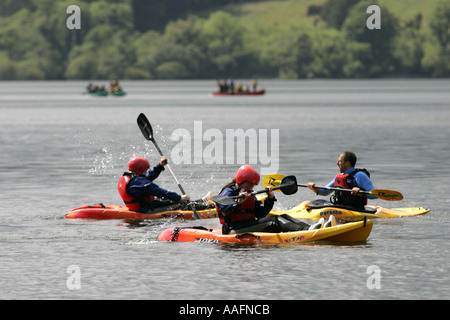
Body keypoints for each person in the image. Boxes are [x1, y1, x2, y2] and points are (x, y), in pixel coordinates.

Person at [215, 165, 333, 234]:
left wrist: (270, 198)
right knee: (274, 221)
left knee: (284, 216)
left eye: (253, 186)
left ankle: (312, 227)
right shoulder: (229, 192)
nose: (251, 188)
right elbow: (224, 208)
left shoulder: (247, 192)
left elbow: (260, 213)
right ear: (242, 180)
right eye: (250, 185)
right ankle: (307, 231)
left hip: (246, 225)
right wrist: (239, 201)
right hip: (233, 230)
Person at [118, 156, 191, 213]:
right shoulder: (138, 181)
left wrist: (160, 165)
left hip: (136, 208)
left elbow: (149, 176)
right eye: (145, 170)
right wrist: (179, 198)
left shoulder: (128, 177)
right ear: (139, 169)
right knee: (181, 203)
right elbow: (158, 191)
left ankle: (197, 203)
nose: (146, 172)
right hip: (145, 210)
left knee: (169, 199)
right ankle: (200, 206)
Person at [307, 151, 375, 209]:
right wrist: (314, 188)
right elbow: (325, 191)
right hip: (341, 208)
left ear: (347, 163)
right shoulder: (339, 176)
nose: (337, 163)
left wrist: (361, 192)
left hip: (357, 209)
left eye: (339, 161)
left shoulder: (360, 175)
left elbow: (374, 195)